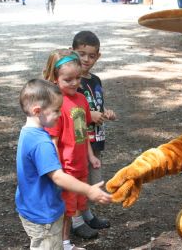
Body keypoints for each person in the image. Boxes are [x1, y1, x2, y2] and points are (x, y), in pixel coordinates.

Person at [16, 78, 111, 250]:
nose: (61, 114)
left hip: (31, 206)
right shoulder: (42, 144)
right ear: (37, 111)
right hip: (43, 213)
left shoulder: (27, 133)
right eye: (56, 111)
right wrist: (89, 190)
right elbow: (58, 177)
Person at [43, 49, 104, 247]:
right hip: (66, 168)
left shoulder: (81, 99)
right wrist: (56, 168)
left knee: (78, 202)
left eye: (77, 78)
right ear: (54, 79)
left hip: (80, 165)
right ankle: (64, 242)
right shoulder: (56, 105)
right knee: (66, 209)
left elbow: (83, 130)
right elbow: (52, 140)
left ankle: (65, 240)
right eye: (68, 79)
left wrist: (90, 155)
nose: (75, 83)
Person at [72, 31, 116, 231]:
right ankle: (75, 220)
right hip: (79, 140)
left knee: (92, 179)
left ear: (98, 56)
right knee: (78, 178)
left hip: (96, 139)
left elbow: (96, 104)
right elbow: (71, 110)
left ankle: (87, 213)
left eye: (91, 55)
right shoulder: (71, 79)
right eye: (82, 54)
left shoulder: (96, 80)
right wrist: (90, 116)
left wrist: (105, 113)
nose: (86, 59)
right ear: (73, 51)